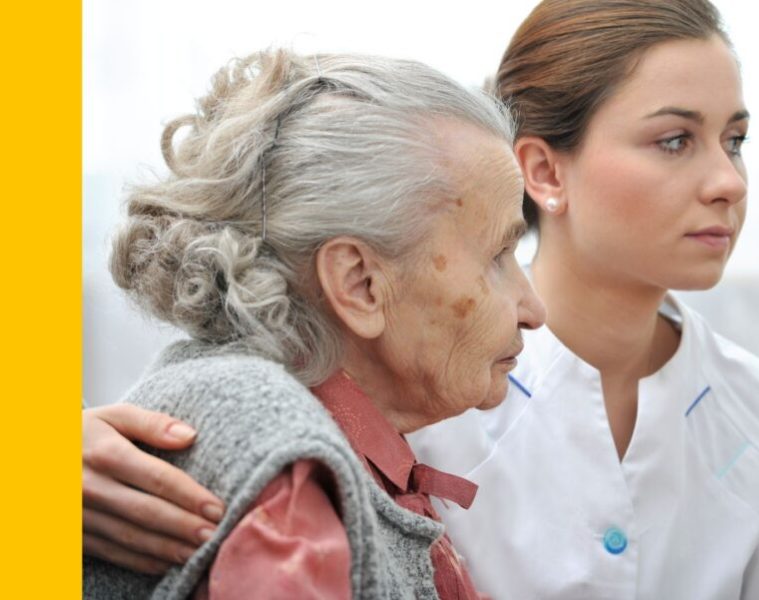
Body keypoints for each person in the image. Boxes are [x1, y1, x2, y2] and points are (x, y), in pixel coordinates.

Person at [84, 1, 759, 598]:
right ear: (543, 172)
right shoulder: (383, 402)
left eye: (736, 140)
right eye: (674, 139)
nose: (730, 182)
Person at [83, 48, 544, 599]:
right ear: (359, 284)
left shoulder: (256, 412)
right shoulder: (290, 479)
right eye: (498, 255)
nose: (533, 308)